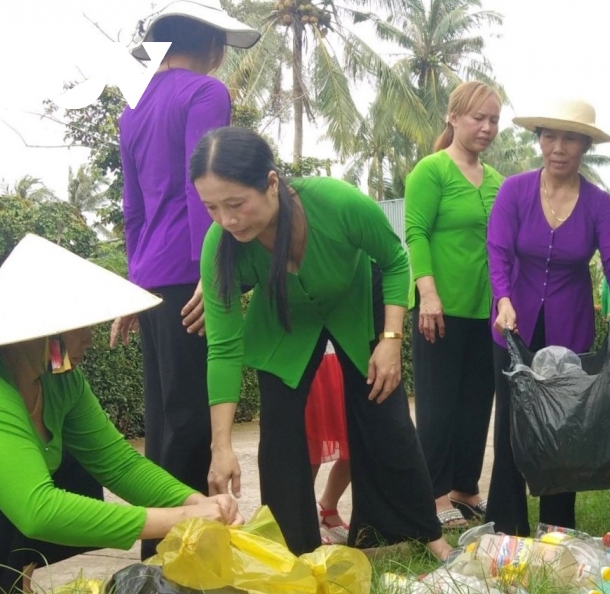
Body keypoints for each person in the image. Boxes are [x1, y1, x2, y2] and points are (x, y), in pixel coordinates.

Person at [0, 235, 242, 594]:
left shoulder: (61, 382)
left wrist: (196, 503)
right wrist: (178, 521)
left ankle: (7, 592)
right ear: (47, 328)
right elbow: (36, 512)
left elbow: (120, 463)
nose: (90, 340)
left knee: (76, 472)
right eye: (84, 326)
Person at [191, 126, 453, 561]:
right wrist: (221, 447)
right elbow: (223, 348)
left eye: (236, 204)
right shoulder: (220, 246)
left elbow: (393, 259)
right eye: (212, 208)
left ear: (272, 183)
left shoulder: (336, 202)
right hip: (284, 318)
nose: (227, 220)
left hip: (354, 299)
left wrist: (390, 341)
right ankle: (296, 552)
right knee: (279, 435)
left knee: (384, 415)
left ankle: (427, 534)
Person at [113, 0, 260, 560]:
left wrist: (132, 283)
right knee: (193, 416)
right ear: (212, 46)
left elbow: (133, 210)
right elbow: (212, 186)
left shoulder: (134, 110)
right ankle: (187, 557)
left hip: (150, 277)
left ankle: (163, 554)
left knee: (164, 416)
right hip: (189, 276)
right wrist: (212, 266)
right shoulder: (206, 93)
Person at [487, 99, 610, 536]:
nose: (558, 147)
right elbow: (497, 251)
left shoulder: (599, 204)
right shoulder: (514, 191)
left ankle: (557, 528)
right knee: (513, 423)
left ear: (585, 145)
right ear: (538, 141)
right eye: (549, 135)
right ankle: (507, 526)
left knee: (563, 426)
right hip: (513, 324)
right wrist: (503, 299)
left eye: (570, 137)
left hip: (570, 329)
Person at [405, 81, 504, 527]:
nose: (486, 127)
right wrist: (428, 295)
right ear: (453, 117)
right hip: (438, 311)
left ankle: (466, 489)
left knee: (476, 404)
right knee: (438, 407)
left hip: (485, 314)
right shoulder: (432, 170)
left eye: (493, 120)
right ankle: (433, 495)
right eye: (478, 118)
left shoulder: (500, 182)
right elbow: (416, 234)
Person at [305, 341, 351, 545]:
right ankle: (305, 522)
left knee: (355, 445)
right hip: (306, 359)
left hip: (341, 357)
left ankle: (327, 508)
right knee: (310, 447)